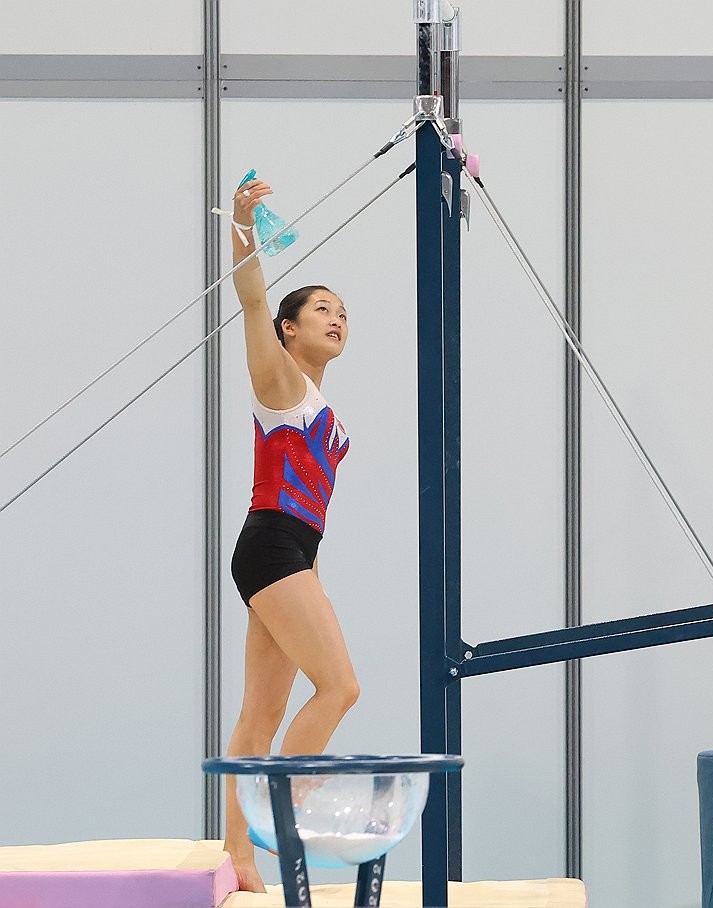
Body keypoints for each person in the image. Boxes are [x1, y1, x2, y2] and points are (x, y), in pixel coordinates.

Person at [223, 177, 359, 892]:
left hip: (291, 554)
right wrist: (244, 224)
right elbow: (249, 296)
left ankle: (237, 856)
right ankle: (285, 816)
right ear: (289, 329)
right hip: (272, 545)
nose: (337, 319)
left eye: (343, 312)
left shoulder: (318, 397)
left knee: (264, 710)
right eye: (321, 310)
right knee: (339, 687)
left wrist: (310, 574)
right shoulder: (279, 383)